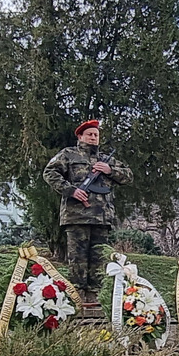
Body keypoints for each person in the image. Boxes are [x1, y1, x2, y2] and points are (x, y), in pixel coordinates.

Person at [43, 119, 133, 303]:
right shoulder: (68, 154)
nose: (93, 138)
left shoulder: (107, 160)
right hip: (77, 216)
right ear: (80, 136)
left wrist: (110, 170)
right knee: (78, 261)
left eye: (96, 135)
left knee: (99, 261)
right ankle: (76, 299)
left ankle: (95, 299)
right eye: (89, 134)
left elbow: (128, 176)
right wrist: (71, 190)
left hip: (102, 217)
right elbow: (49, 173)